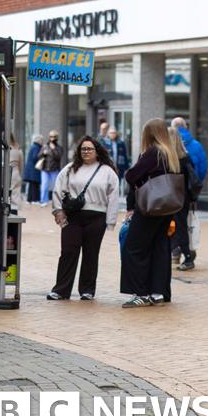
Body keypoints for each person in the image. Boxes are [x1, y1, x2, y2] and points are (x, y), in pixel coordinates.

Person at [48, 136, 120, 301]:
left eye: (89, 149)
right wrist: (58, 211)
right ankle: (60, 290)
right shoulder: (69, 169)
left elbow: (113, 197)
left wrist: (111, 221)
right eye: (83, 149)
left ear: (97, 152)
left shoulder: (107, 171)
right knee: (68, 252)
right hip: (72, 217)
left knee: (91, 254)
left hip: (97, 218)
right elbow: (58, 190)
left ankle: (87, 290)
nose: (86, 152)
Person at [121, 119, 182, 308]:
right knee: (160, 248)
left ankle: (141, 293)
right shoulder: (171, 153)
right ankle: (159, 292)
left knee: (134, 247)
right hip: (167, 208)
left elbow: (131, 176)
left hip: (150, 207)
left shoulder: (153, 152)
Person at [169, 127, 203, 271]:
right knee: (180, 226)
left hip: (170, 198)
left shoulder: (167, 158)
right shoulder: (185, 157)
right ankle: (183, 255)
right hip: (183, 198)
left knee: (176, 227)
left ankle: (187, 256)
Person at [38, 130, 64, 205]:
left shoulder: (59, 147)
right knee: (44, 185)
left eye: (54, 137)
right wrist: (43, 153)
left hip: (54, 169)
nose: (52, 138)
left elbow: (58, 157)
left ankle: (55, 201)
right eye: (51, 136)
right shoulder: (45, 146)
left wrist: (53, 149)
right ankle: (43, 200)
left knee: (55, 186)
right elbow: (38, 156)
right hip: (45, 169)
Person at [24, 134, 43, 204]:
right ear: (39, 140)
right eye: (41, 140)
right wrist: (42, 154)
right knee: (34, 185)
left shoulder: (33, 146)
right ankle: (34, 200)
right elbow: (35, 157)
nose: (42, 141)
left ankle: (30, 200)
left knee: (32, 185)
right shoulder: (36, 147)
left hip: (31, 169)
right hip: (34, 169)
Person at [8, 134, 24, 212]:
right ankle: (14, 214)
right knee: (15, 197)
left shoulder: (5, 149)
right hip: (16, 172)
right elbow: (21, 164)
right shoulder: (18, 149)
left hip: (7, 173)